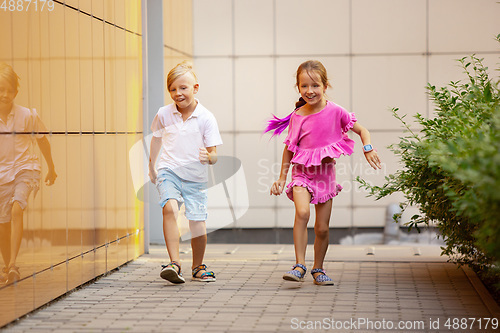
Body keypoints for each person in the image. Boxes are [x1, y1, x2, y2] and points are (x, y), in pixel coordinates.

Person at [265, 60, 382, 285]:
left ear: (325, 86)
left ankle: (318, 269)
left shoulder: (336, 111)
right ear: (298, 88)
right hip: (301, 174)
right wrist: (282, 178)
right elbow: (289, 149)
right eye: (304, 86)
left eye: (315, 86)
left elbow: (362, 130)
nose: (310, 91)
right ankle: (299, 265)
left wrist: (368, 148)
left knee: (322, 228)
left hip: (325, 177)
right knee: (302, 213)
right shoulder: (298, 116)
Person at [149, 61, 223, 284]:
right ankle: (174, 263)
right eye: (172, 89)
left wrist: (207, 158)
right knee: (169, 208)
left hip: (195, 177)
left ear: (195, 88)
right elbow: (156, 139)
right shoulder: (164, 114)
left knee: (197, 221)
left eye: (183, 88)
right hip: (168, 170)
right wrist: (151, 166)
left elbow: (214, 155)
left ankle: (198, 267)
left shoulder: (206, 117)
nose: (177, 93)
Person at [0, 62, 57, 285]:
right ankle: (8, 267)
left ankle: (13, 264)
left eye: (9, 90)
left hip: (26, 169)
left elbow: (43, 141)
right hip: (2, 174)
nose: (5, 94)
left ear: (16, 91)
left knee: (16, 209)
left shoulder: (27, 116)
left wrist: (51, 168)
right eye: (0, 89)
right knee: (2, 224)